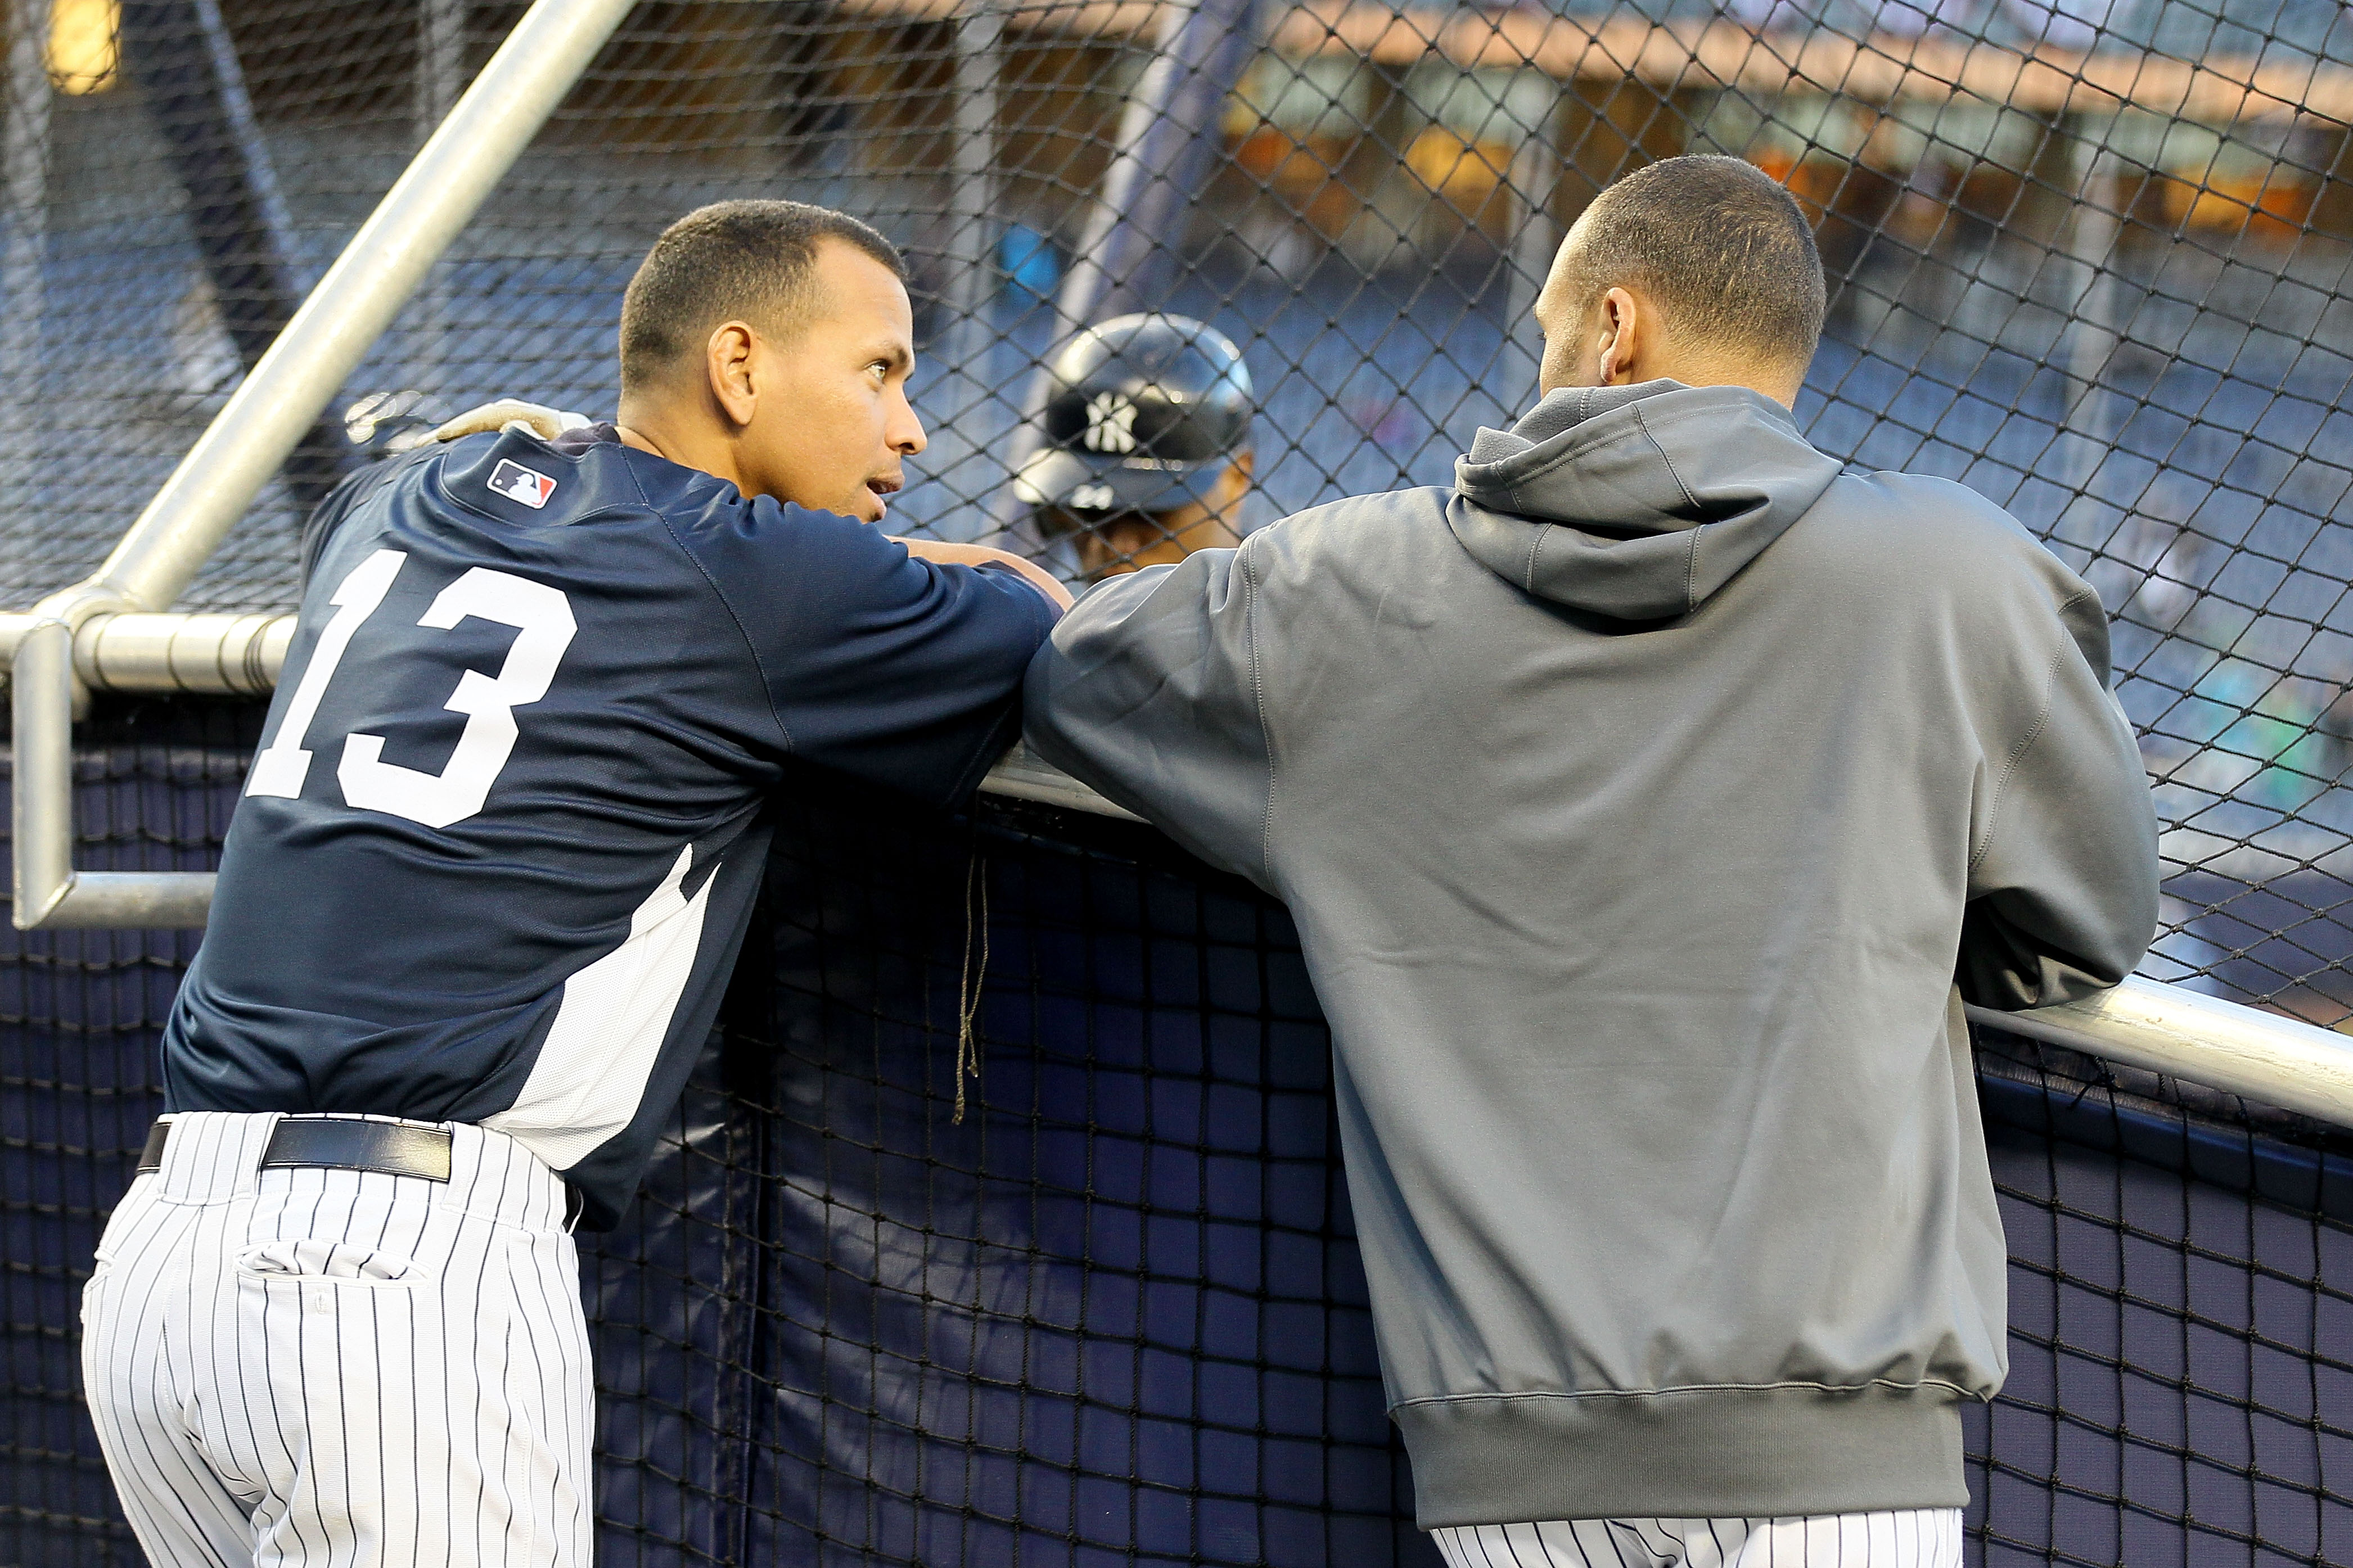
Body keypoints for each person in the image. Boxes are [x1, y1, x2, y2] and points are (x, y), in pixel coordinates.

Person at [1022, 155, 2158, 1567]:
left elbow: (1078, 663)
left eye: (1553, 335)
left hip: (1508, 1469)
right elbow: (2087, 924)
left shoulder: (1341, 583)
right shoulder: (1958, 574)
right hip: (1844, 1469)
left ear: (1612, 328)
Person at [80, 199, 1069, 1567]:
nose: (909, 427)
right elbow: (1031, 610)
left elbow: (486, 503)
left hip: (155, 1266)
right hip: (398, 1277)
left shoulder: (396, 503)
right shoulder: (764, 581)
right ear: (737, 366)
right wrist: (901, 564)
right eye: (880, 371)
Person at [1011, 312, 1256, 579]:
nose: (1113, 547)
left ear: (1237, 478)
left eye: (1150, 513)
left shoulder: (1291, 616)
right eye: (1090, 514)